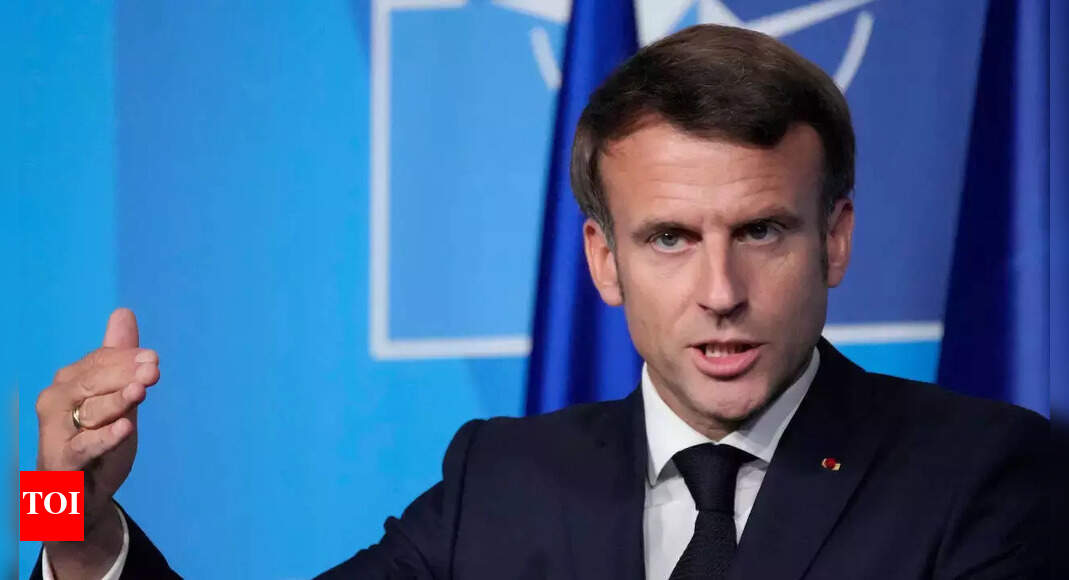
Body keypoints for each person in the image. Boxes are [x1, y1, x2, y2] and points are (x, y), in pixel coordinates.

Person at [31, 24, 1047, 580]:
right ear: (603, 260)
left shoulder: (980, 473)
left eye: (761, 232)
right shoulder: (501, 480)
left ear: (834, 238)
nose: (720, 293)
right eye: (669, 238)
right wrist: (67, 516)